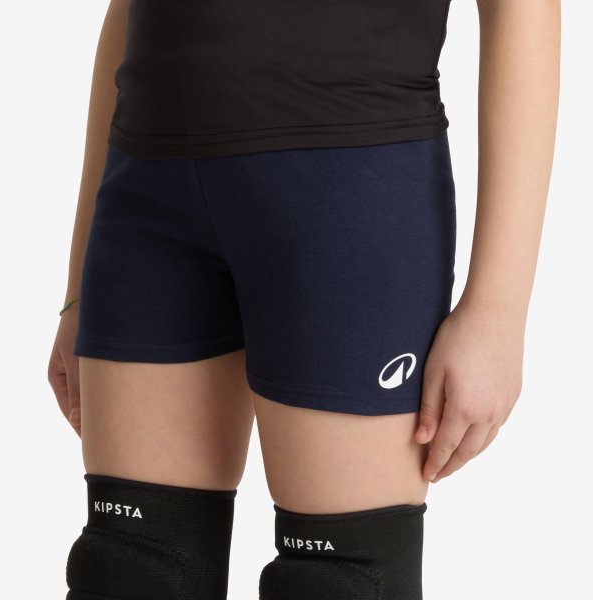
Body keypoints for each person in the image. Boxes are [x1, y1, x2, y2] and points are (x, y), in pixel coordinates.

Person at [48, 1, 560, 599]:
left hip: (347, 191)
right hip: (146, 190)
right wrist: (80, 284)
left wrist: (498, 311)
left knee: (339, 581)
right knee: (134, 569)